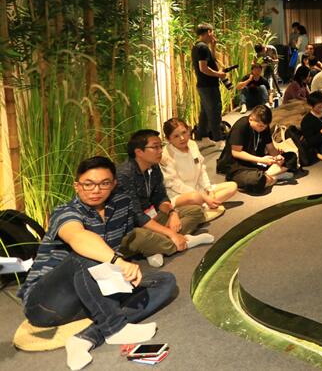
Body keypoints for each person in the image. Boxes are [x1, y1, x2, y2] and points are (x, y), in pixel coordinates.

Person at [18, 156, 178, 371]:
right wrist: (118, 262)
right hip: (46, 304)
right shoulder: (65, 211)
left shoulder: (121, 204)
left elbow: (141, 222)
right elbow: (78, 238)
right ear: (77, 186)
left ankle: (86, 338)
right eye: (88, 184)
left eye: (104, 183)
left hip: (92, 291)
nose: (96, 190)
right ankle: (115, 327)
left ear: (113, 184)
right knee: (83, 255)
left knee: (165, 280)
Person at [116, 130, 214, 268]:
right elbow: (137, 216)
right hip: (133, 226)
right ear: (139, 152)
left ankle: (155, 248)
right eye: (155, 147)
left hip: (152, 217)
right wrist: (171, 234)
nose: (160, 150)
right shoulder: (124, 174)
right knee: (140, 237)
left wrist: (172, 213)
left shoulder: (154, 166)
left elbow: (161, 196)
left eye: (160, 146)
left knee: (195, 211)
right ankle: (183, 242)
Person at [160, 118, 237, 222]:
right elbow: (174, 184)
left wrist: (208, 189)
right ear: (168, 139)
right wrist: (202, 197)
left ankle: (204, 206)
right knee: (194, 198)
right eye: (176, 136)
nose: (182, 138)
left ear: (188, 130)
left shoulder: (192, 144)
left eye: (184, 132)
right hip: (181, 195)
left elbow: (201, 169)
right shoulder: (165, 155)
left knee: (232, 186)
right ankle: (201, 207)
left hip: (199, 189)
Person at [216, 105, 294, 193]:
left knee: (291, 157)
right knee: (256, 180)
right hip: (237, 166)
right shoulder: (241, 125)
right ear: (251, 119)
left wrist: (277, 157)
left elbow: (271, 148)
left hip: (257, 162)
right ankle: (272, 176)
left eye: (265, 126)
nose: (263, 128)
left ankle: (267, 177)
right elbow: (236, 152)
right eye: (260, 126)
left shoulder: (264, 127)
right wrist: (261, 160)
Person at [191, 23, 227, 143]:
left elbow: (212, 60)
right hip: (209, 85)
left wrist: (213, 46)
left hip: (203, 85)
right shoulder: (202, 47)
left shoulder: (198, 46)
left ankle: (202, 137)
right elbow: (203, 68)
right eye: (212, 32)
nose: (213, 34)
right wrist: (218, 74)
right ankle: (218, 139)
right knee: (215, 112)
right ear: (208, 32)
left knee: (205, 113)